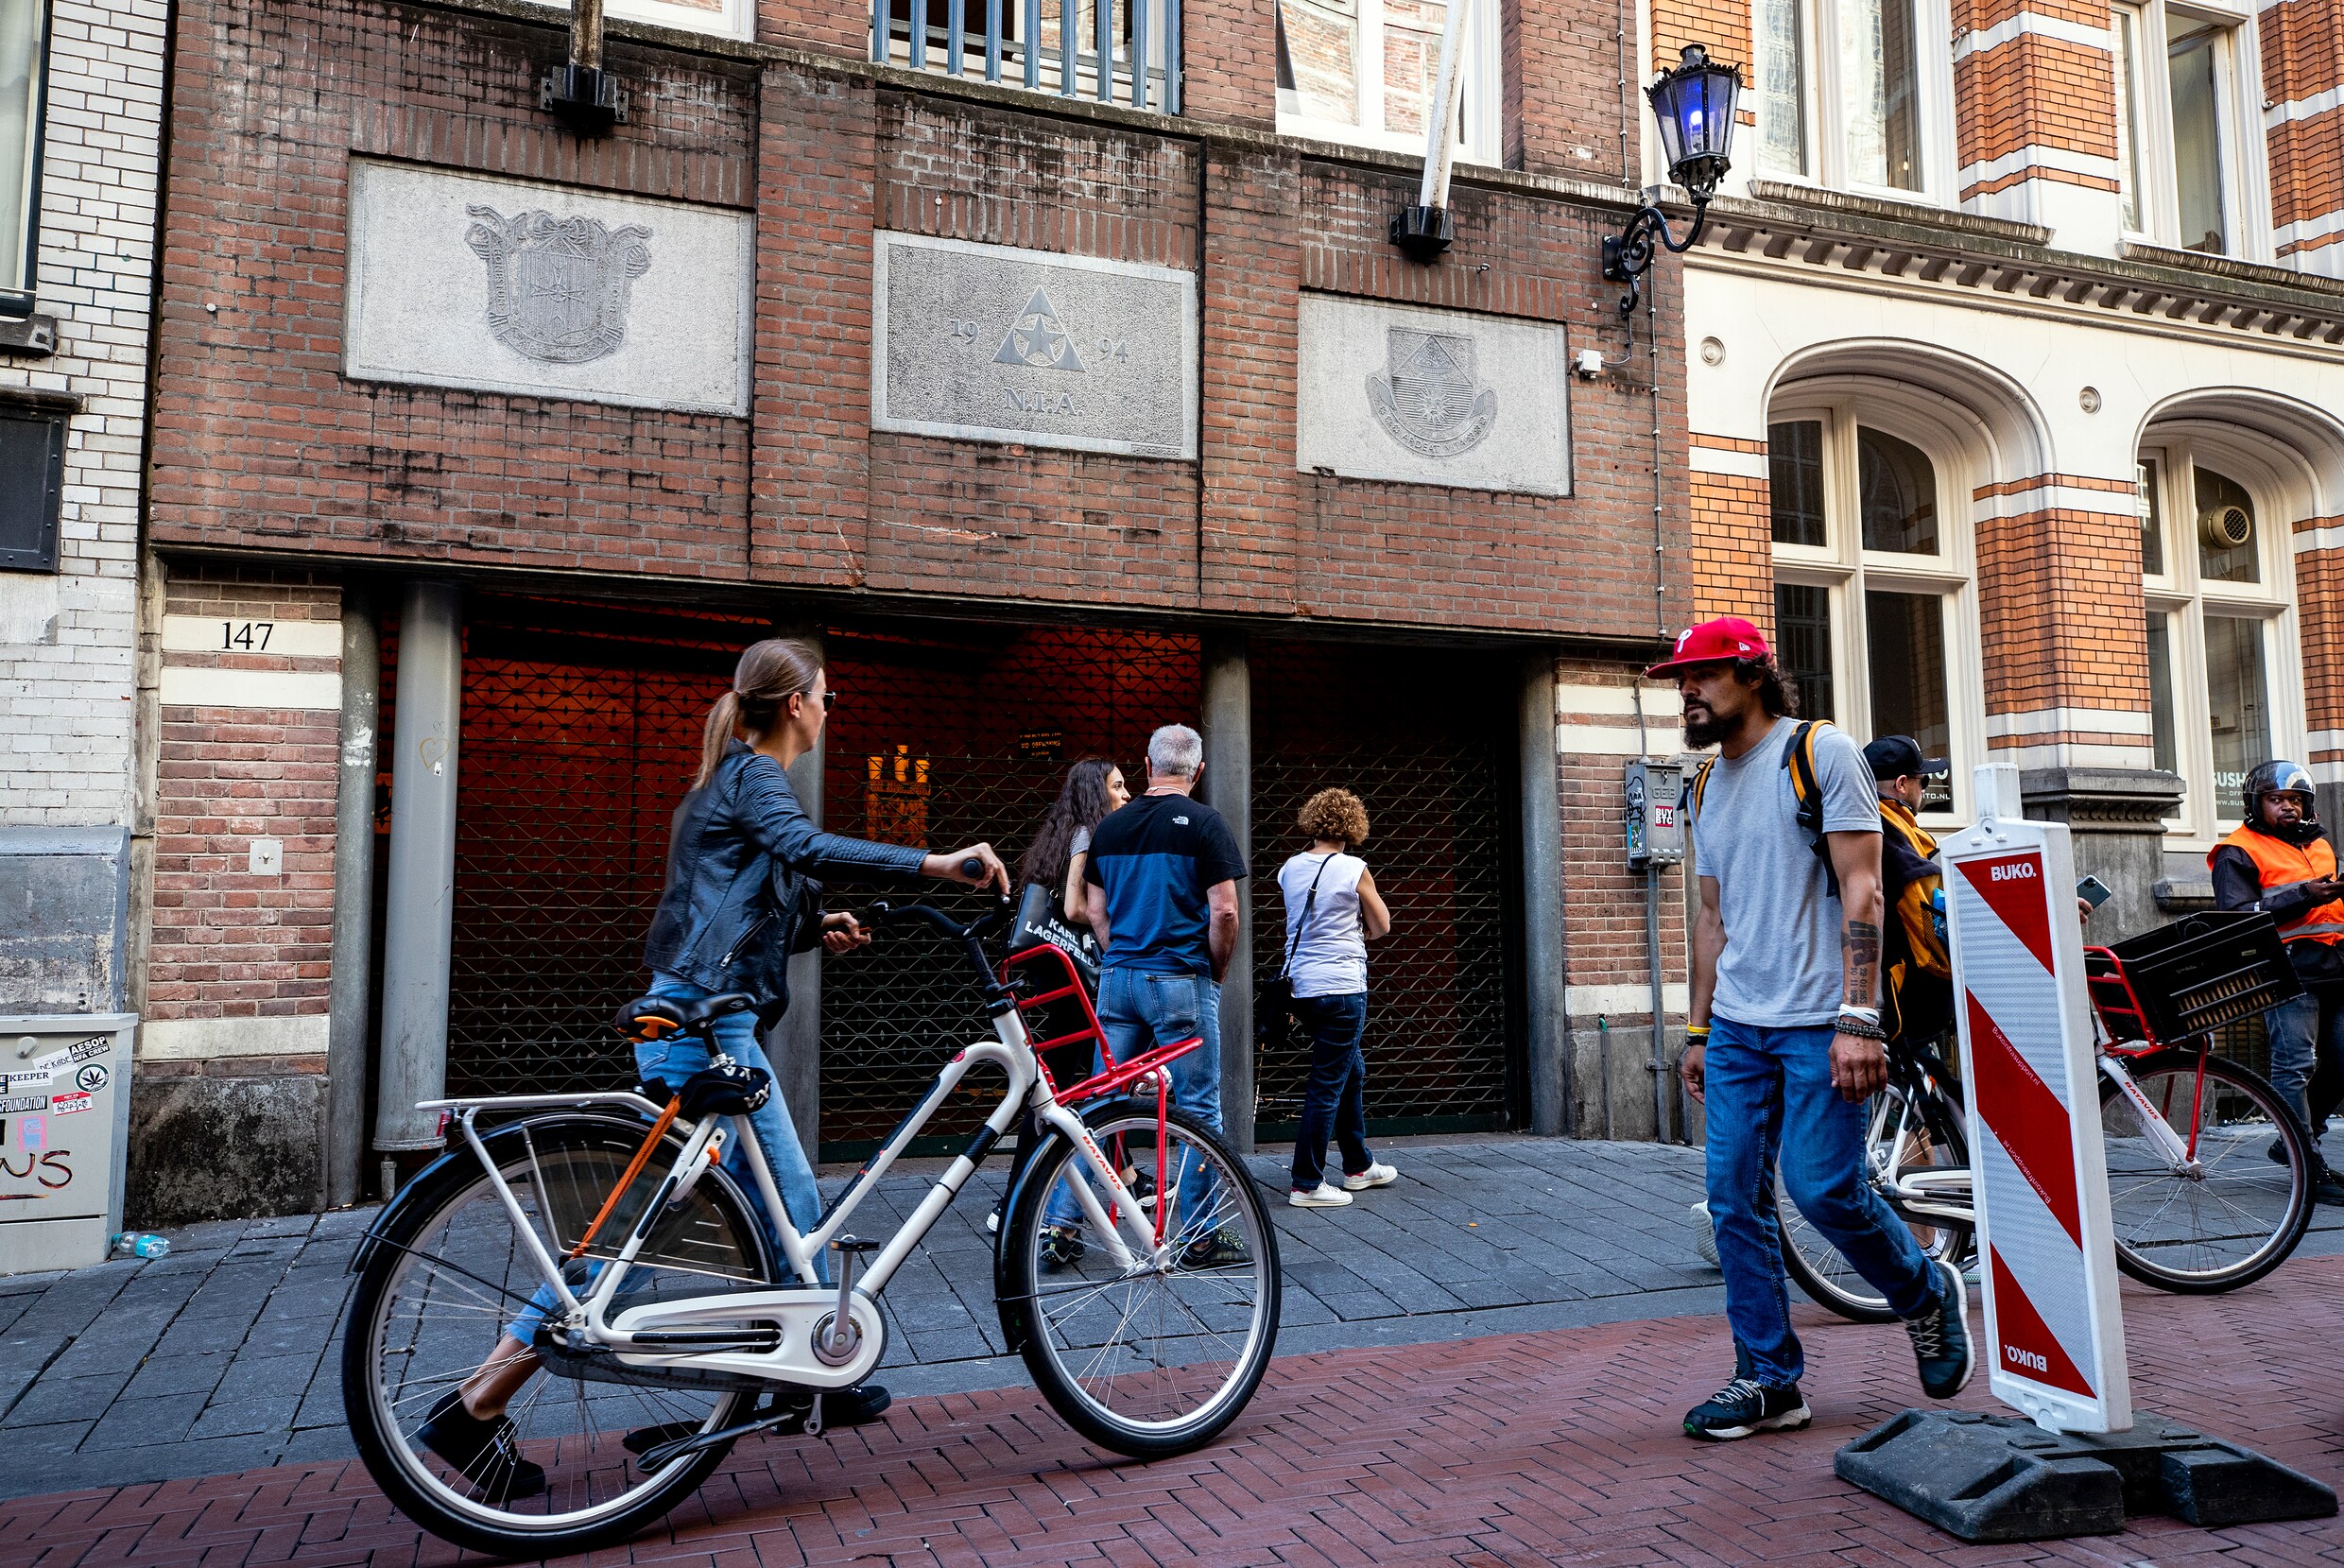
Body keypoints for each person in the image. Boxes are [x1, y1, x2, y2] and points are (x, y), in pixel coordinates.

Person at [419, 638, 1009, 1500]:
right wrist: (933, 862)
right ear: (796, 703)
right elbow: (801, 847)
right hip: (707, 1022)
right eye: (828, 696)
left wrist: (819, 926)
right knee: (675, 1225)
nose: (830, 708)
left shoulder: (733, 781)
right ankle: (477, 1407)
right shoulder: (754, 777)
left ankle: (791, 1373)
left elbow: (734, 900)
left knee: (742, 1210)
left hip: (707, 1009)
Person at [1654, 616, 1972, 1443]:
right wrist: (1697, 1029)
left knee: (1825, 1188)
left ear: (1753, 673)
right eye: (1680, 678)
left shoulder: (1820, 753)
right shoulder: (1703, 787)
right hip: (1736, 1030)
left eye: (1704, 673)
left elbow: (1862, 889)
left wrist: (1859, 1020)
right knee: (1733, 1202)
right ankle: (1768, 1379)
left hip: (1822, 1023)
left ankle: (1923, 1291)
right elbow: (1712, 916)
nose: (1687, 689)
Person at [1042, 723, 1248, 1269]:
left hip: (1119, 979)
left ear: (1148, 765)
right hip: (1181, 977)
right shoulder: (1206, 824)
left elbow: (1093, 911)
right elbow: (1225, 911)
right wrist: (1215, 969)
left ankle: (1059, 1226)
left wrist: (1118, 958)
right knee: (1199, 1107)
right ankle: (1200, 1234)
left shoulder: (1110, 829)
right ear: (1198, 772)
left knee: (1097, 1106)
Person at [993, 758, 1133, 1232]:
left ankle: (1126, 1176)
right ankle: (1013, 1203)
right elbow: (1074, 906)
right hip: (1074, 978)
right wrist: (1111, 914)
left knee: (1080, 1080)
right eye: (1118, 785)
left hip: (1060, 978)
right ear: (1098, 792)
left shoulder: (1069, 832)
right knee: (1063, 1088)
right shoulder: (1087, 835)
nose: (1127, 793)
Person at [2209, 759, 2344, 1201]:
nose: (2288, 807)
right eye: (2276, 799)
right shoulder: (2237, 851)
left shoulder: (2320, 843)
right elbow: (2234, 919)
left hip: (2335, 966)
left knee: (2341, 1062)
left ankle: (2293, 1139)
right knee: (2295, 1066)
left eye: (2295, 800)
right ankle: (2306, 1159)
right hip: (2285, 971)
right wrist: (2305, 895)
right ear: (2255, 803)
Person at [1278, 787, 1398, 1207]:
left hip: (1302, 988)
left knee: (1350, 1069)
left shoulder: (1290, 867)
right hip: (1343, 987)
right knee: (1327, 1082)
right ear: (1353, 826)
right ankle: (1307, 1182)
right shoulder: (1353, 868)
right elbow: (1382, 924)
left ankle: (1358, 1165)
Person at [1860, 735, 1953, 1052]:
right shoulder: (1894, 839)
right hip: (1905, 1004)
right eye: (1922, 780)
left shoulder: (1859, 826)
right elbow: (1936, 944)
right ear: (1902, 784)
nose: (1923, 790)